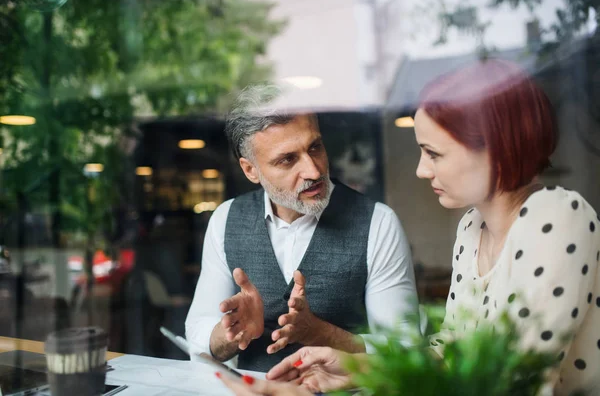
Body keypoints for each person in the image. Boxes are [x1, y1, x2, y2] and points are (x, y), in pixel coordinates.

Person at [218, 59, 600, 395]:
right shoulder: (472, 228)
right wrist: (356, 369)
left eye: (434, 153)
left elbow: (513, 382)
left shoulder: (558, 215)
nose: (421, 169)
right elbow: (447, 355)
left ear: (494, 148)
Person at [185, 84, 418, 372]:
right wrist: (232, 333)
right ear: (250, 170)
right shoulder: (225, 219)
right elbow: (198, 334)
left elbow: (406, 350)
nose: (314, 171)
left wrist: (323, 334)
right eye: (287, 159)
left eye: (315, 147)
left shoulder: (378, 223)